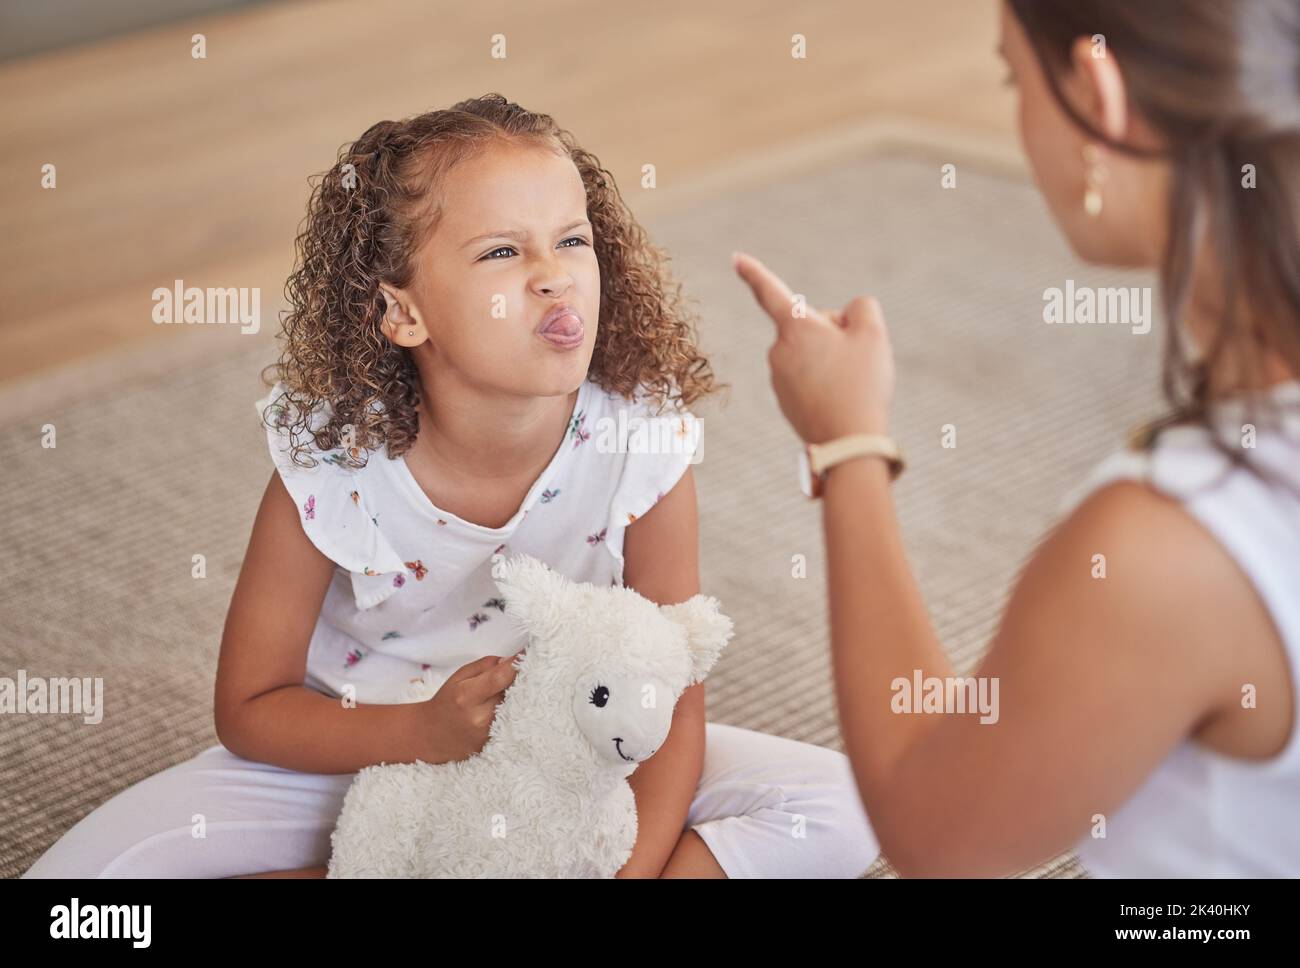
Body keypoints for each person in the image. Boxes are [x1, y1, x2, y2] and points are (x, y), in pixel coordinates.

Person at [23, 95, 878, 880]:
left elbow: (671, 702)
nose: (553, 273)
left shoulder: (638, 440)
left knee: (843, 807)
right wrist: (419, 734)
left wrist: (627, 874)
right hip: (360, 752)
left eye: (572, 239)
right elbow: (249, 707)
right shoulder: (334, 461)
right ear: (403, 313)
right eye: (503, 251)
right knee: (83, 885)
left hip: (573, 754)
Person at [734, 0, 1300, 877]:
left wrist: (848, 441)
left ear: (1098, 96)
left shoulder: (1171, 548)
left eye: (1013, 76)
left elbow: (939, 832)